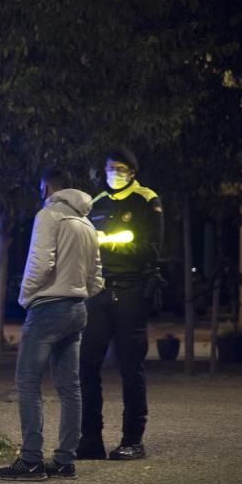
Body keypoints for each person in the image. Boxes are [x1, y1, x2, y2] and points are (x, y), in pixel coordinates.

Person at [0, 169, 103, 481]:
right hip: (77, 309)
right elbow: (96, 276)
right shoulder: (86, 222)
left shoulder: (48, 216)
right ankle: (65, 460)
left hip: (47, 308)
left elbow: (40, 263)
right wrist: (78, 292)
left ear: (47, 187)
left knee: (28, 383)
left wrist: (25, 296)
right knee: (70, 387)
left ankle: (31, 460)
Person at [77, 150, 163, 460]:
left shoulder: (146, 199)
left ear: (133, 170)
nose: (115, 172)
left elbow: (150, 248)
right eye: (110, 167)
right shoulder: (96, 202)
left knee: (130, 367)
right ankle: (90, 440)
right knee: (86, 364)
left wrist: (110, 240)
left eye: (121, 167)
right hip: (99, 292)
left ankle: (132, 440)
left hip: (132, 291)